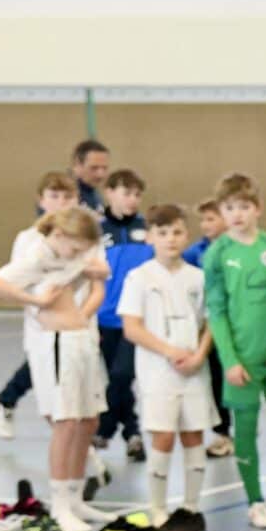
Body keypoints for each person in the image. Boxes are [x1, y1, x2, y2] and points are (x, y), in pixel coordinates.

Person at [0, 208, 109, 531]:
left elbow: (101, 270)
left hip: (81, 339)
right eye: (76, 247)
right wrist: (34, 299)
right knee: (66, 423)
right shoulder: (36, 256)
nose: (80, 253)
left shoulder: (69, 256)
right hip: (57, 344)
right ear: (60, 236)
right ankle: (60, 505)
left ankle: (77, 498)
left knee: (88, 421)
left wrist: (79, 263)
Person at [117, 205, 214, 531]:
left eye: (176, 232)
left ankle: (191, 506)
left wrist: (199, 355)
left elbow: (210, 322)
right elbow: (132, 327)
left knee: (194, 434)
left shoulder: (198, 278)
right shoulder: (139, 277)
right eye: (162, 233)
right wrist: (170, 351)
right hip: (158, 371)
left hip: (194, 371)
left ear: (186, 236)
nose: (170, 239)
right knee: (162, 436)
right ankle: (157, 509)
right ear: (151, 237)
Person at [203, 173, 266, 531]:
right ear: (221, 212)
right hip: (241, 361)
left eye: (244, 206)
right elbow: (217, 312)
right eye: (229, 208)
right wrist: (230, 360)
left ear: (258, 208)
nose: (237, 214)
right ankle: (255, 500)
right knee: (245, 429)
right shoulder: (217, 254)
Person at [0, 172, 82, 441]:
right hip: (43, 327)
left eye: (68, 197)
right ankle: (79, 462)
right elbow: (13, 283)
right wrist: (38, 301)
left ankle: (82, 455)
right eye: (54, 196)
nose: (61, 202)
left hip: (79, 328)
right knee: (56, 405)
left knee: (79, 401)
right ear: (41, 200)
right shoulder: (29, 240)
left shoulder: (85, 237)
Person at [94, 169, 151, 462]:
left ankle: (104, 428)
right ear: (110, 193)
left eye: (137, 194)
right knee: (118, 381)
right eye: (126, 193)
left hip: (136, 319)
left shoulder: (148, 229)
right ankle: (132, 433)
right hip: (104, 317)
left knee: (122, 374)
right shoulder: (97, 229)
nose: (132, 200)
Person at [181, 198, 236, 457]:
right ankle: (222, 432)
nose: (205, 225)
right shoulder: (195, 253)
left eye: (211, 219)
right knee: (214, 378)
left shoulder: (236, 249)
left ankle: (241, 426)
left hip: (236, 324)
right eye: (202, 220)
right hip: (209, 325)